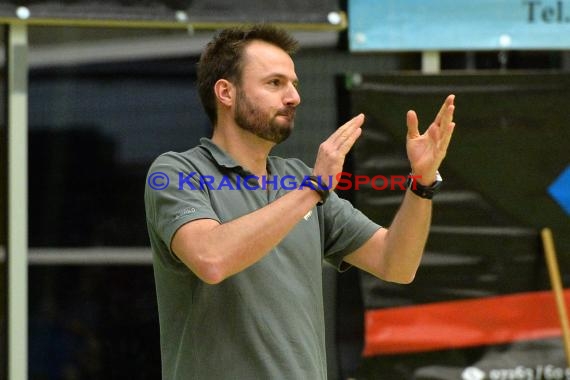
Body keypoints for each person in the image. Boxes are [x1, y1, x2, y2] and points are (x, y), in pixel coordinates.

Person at [144, 24, 455, 380]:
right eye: (275, 83)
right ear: (226, 93)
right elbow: (211, 259)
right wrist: (313, 189)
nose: (294, 97)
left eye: (294, 84)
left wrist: (422, 183)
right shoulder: (176, 171)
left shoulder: (298, 178)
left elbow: (396, 264)